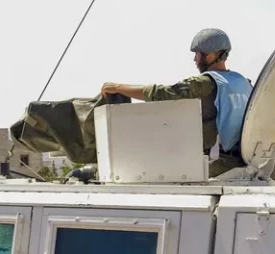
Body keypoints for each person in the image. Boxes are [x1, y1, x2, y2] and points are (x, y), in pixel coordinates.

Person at [100, 28, 253, 176]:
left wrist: (119, 88)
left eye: (198, 55)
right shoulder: (242, 81)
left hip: (222, 161)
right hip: (245, 159)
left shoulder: (207, 82)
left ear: (210, 55)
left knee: (156, 173)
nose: (195, 59)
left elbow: (162, 93)